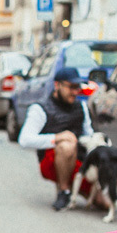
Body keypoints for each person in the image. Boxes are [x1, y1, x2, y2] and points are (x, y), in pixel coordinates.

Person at [17, 65, 94, 210]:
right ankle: (63, 191)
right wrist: (57, 137)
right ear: (57, 85)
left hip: (79, 161)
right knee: (66, 145)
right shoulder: (40, 108)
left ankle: (76, 188)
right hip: (51, 161)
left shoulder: (82, 107)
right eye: (71, 87)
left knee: (104, 203)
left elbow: (88, 135)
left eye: (77, 87)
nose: (75, 92)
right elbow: (24, 140)